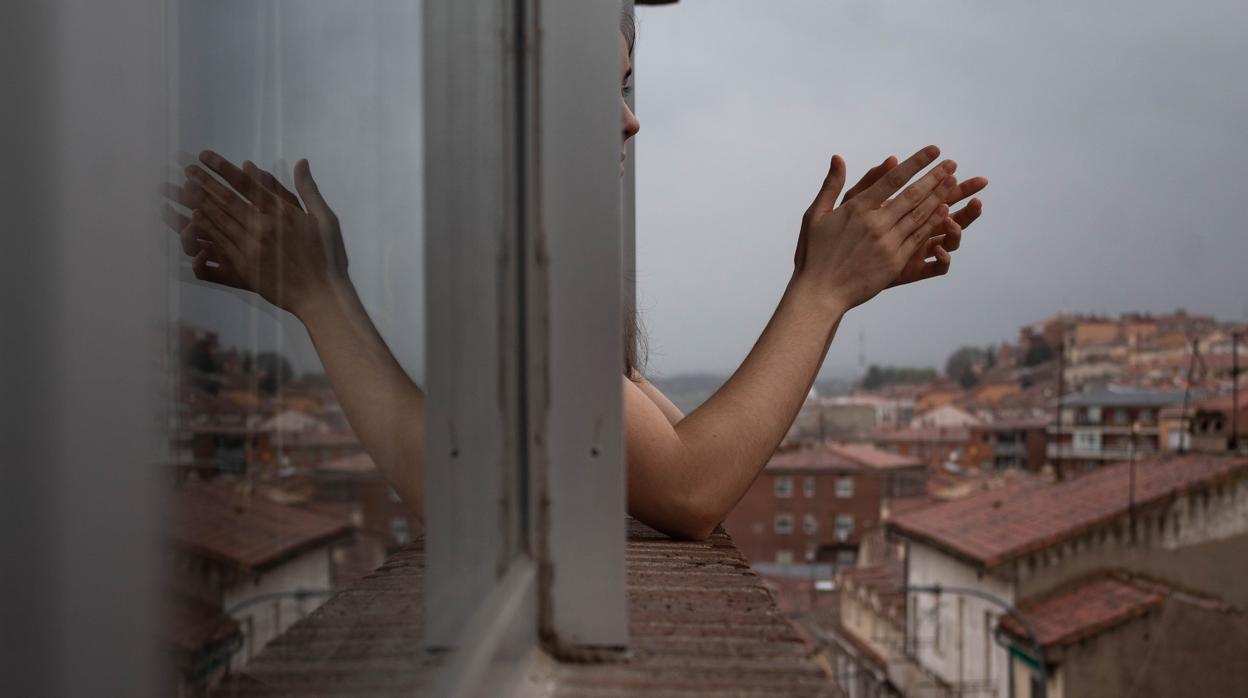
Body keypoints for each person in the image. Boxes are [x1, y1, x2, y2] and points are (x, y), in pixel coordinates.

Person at [165, 16, 986, 540]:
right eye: (595, 84)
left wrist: (824, 276)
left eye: (623, 86)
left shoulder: (519, 262)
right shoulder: (515, 278)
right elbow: (691, 492)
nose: (630, 117)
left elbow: (662, 442)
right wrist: (823, 292)